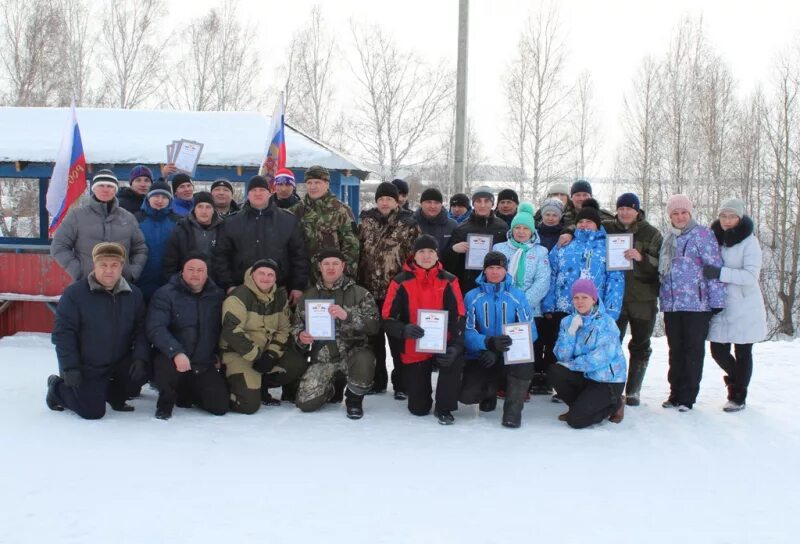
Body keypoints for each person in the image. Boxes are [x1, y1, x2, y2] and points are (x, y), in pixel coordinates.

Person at [46, 242, 149, 419]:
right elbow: (63, 334)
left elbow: (141, 330)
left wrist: (140, 357)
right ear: (94, 265)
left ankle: (114, 395)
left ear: (121, 266)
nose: (109, 270)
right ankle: (56, 388)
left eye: (114, 265)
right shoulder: (75, 294)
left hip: (118, 360)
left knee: (145, 369)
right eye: (103, 265)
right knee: (92, 412)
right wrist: (70, 367)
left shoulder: (134, 294)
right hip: (87, 364)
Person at [542, 199, 625, 402]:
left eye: (589, 222)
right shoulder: (564, 245)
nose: (584, 225)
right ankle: (566, 389)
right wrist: (548, 303)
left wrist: (612, 311)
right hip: (565, 307)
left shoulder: (608, 247)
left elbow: (616, 279)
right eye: (581, 222)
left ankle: (591, 390)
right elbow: (550, 274)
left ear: (598, 225)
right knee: (566, 345)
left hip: (596, 310)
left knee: (590, 347)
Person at [383, 235, 466, 424]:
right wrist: (404, 329)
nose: (426, 256)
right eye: (421, 251)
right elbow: (387, 318)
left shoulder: (450, 280)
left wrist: (455, 346)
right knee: (418, 409)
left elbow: (459, 316)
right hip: (414, 348)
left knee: (454, 360)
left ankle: (444, 407)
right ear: (414, 255)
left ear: (437, 256)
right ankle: (420, 396)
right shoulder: (400, 281)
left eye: (431, 251)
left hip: (443, 343)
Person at [293, 249, 380, 419]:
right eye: (326, 264)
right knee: (305, 403)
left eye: (335, 264)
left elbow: (374, 326)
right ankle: (332, 389)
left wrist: (347, 316)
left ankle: (354, 399)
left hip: (353, 355)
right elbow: (296, 326)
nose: (330, 268)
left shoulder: (360, 293)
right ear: (320, 267)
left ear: (343, 266)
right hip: (323, 358)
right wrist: (300, 336)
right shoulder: (308, 296)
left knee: (365, 360)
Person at [659, 194, 725, 412]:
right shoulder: (669, 237)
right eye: (675, 213)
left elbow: (714, 267)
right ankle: (675, 392)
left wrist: (716, 300)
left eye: (683, 212)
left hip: (697, 305)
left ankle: (687, 396)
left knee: (693, 350)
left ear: (690, 213)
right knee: (675, 350)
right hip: (672, 304)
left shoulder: (703, 235)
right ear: (670, 216)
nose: (680, 217)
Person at [219, 259, 309, 413]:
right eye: (261, 273)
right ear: (252, 274)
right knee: (248, 405)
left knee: (297, 363)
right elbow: (232, 331)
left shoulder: (279, 296)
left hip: (265, 353)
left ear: (275, 278)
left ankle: (260, 386)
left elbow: (284, 329)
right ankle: (227, 387)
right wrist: (257, 356)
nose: (266, 278)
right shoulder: (238, 296)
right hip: (238, 353)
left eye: (270, 274)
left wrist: (272, 354)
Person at [146, 252, 228, 420]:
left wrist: (219, 354)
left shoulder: (217, 296)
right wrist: (176, 352)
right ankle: (166, 401)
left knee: (220, 407)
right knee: (164, 367)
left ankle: (188, 392)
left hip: (203, 361)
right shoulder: (165, 294)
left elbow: (222, 329)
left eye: (200, 270)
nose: (195, 274)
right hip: (172, 357)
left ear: (207, 274)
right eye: (191, 269)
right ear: (182, 272)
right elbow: (156, 327)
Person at [357, 181, 420, 396]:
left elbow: (416, 258)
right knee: (373, 340)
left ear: (397, 201)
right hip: (368, 291)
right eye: (381, 199)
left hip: (397, 293)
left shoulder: (408, 224)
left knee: (398, 340)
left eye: (389, 199)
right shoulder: (366, 221)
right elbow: (358, 252)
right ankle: (378, 380)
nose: (385, 203)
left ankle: (402, 383)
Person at [461, 251, 535, 428]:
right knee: (467, 395)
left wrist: (510, 344)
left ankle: (512, 412)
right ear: (484, 270)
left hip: (511, 353)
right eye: (491, 268)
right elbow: (466, 331)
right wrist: (486, 343)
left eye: (499, 268)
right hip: (483, 353)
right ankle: (489, 392)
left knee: (525, 363)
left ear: (506, 270)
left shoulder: (517, 295)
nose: (495, 272)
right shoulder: (472, 296)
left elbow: (530, 329)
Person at [603, 193, 663, 406]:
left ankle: (634, 390)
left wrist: (643, 258)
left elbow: (662, 265)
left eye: (629, 208)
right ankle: (613, 386)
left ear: (637, 211)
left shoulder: (652, 233)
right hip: (614, 298)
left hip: (643, 298)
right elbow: (585, 226)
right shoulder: (607, 228)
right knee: (612, 343)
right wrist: (568, 232)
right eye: (621, 208)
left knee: (640, 344)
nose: (625, 212)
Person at [707, 198, 766, 412]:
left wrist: (721, 274)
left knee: (743, 352)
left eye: (732, 216)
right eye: (723, 216)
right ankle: (737, 381)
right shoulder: (714, 238)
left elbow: (751, 275)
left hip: (744, 304)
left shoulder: (750, 242)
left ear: (739, 218)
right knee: (717, 350)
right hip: (721, 303)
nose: (727, 220)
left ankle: (737, 396)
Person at [213, 175, 308, 304]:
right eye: (253, 190)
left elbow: (299, 256)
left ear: (269, 193)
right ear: (248, 195)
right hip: (242, 289)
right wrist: (228, 285)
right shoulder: (232, 222)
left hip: (279, 290)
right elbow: (221, 257)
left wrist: (298, 286)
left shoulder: (287, 220)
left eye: (262, 190)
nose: (258, 194)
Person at [550, 279, 627, 429]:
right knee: (555, 371)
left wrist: (571, 365)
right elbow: (562, 356)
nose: (580, 302)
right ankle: (579, 408)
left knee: (575, 421)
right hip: (586, 376)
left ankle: (615, 404)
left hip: (606, 380)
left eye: (584, 297)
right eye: (576, 297)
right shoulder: (567, 321)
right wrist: (570, 333)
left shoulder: (606, 322)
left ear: (593, 299)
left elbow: (600, 359)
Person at [492, 203, 551, 394]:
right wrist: (508, 303)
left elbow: (543, 280)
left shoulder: (540, 251)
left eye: (525, 228)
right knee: (503, 343)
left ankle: (520, 387)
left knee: (524, 347)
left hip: (529, 307)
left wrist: (522, 304)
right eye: (517, 227)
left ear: (532, 231)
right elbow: (492, 275)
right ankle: (501, 383)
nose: (521, 232)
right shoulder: (499, 248)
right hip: (501, 304)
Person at [51, 169, 148, 283]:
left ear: (115, 190)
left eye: (110, 186)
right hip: (86, 284)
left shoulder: (128, 218)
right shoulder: (76, 216)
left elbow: (140, 249)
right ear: (94, 188)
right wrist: (79, 272)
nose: (105, 189)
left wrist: (131, 273)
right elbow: (59, 246)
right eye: (101, 185)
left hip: (120, 284)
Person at [289, 165, 359, 285]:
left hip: (332, 280)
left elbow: (352, 248)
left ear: (327, 184)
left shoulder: (341, 211)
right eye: (309, 183)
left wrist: (344, 278)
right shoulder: (295, 211)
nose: (313, 186)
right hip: (303, 281)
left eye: (317, 182)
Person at [444, 186, 509, 293]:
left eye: (487, 201)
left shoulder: (502, 227)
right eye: (478, 201)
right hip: (469, 285)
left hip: (495, 284)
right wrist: (454, 250)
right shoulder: (462, 228)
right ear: (473, 204)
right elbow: (449, 264)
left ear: (492, 204)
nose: (482, 205)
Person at [135, 181, 180, 301]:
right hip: (141, 280)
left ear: (170, 200)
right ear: (148, 198)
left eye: (164, 197)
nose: (160, 200)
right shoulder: (136, 219)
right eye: (156, 196)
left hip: (169, 282)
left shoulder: (178, 222)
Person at [163, 191, 223, 279]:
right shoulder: (181, 230)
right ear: (194, 209)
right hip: (186, 284)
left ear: (213, 210)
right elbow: (170, 263)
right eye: (200, 207)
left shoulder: (223, 229)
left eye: (208, 207)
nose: (204, 211)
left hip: (216, 284)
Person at [414, 187, 458, 252]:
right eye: (429, 202)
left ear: (441, 205)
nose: (433, 206)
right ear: (421, 204)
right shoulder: (411, 223)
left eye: (436, 202)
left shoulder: (452, 225)